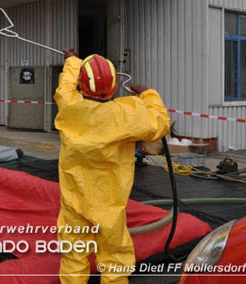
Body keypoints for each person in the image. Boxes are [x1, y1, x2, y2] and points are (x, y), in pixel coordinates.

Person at [54, 51, 170, 284]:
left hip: (74, 199)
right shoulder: (125, 115)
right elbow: (161, 122)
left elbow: (66, 84)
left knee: (74, 255)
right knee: (115, 258)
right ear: (115, 85)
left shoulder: (68, 105)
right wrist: (148, 94)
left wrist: (72, 61)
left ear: (82, 85)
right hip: (109, 204)